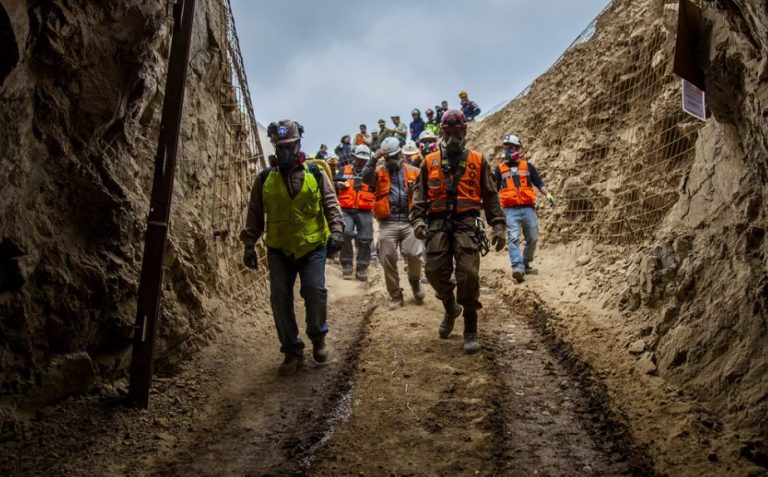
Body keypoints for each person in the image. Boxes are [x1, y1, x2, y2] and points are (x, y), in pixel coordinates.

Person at [241, 119, 344, 375]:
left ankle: (318, 337)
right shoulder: (265, 179)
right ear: (275, 148)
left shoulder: (316, 173)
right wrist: (249, 244)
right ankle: (291, 350)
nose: (285, 151)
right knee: (279, 296)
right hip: (279, 248)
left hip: (312, 246)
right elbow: (255, 213)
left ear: (298, 144)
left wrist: (337, 232)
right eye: (280, 147)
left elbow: (331, 205)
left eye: (290, 146)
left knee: (314, 289)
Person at [410, 109, 506, 354]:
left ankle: (470, 329)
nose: (453, 137)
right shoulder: (429, 161)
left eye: (458, 132)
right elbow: (419, 196)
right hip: (436, 225)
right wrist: (418, 221)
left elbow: (490, 194)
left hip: (466, 224)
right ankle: (451, 307)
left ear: (464, 132)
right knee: (433, 272)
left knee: (469, 275)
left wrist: (498, 225)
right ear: (443, 132)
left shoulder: (478, 159)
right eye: (449, 132)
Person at [363, 137, 425, 308]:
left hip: (409, 221)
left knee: (414, 255)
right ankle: (396, 295)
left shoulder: (414, 172)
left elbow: (423, 196)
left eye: (393, 156)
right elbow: (366, 179)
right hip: (387, 222)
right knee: (388, 258)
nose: (390, 160)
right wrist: (374, 158)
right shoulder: (378, 172)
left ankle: (415, 281)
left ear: (400, 154)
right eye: (387, 157)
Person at [493, 134, 555, 283]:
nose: (508, 149)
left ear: (518, 148)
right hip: (510, 210)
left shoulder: (527, 166)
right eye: (506, 147)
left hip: (528, 208)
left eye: (511, 147)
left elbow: (539, 183)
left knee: (532, 238)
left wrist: (548, 195)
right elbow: (494, 190)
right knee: (513, 238)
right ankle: (518, 268)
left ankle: (526, 263)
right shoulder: (499, 169)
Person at [335, 144, 375, 281]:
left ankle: (362, 267)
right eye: (359, 158)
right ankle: (346, 264)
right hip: (346, 209)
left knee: (366, 238)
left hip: (365, 210)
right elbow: (332, 185)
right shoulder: (343, 170)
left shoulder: (372, 173)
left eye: (364, 159)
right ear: (354, 157)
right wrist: (338, 185)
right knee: (345, 232)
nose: (362, 161)